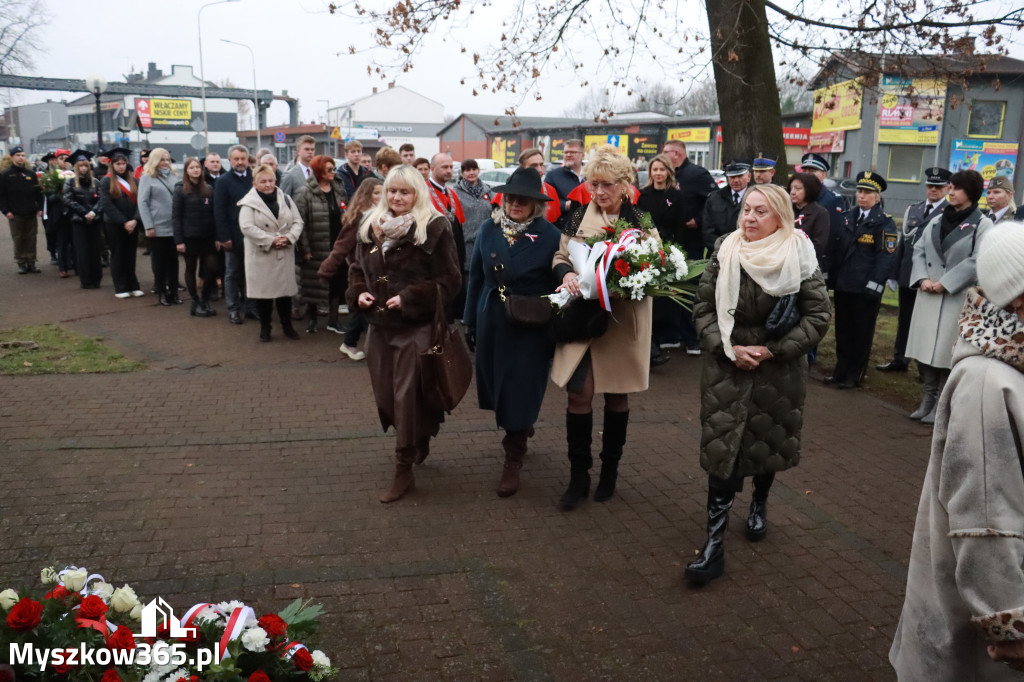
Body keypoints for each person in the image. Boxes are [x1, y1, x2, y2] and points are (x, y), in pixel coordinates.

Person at [890, 222, 1024, 680]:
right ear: (1019, 297)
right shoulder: (988, 382)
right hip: (988, 641)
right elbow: (985, 521)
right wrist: (1009, 624)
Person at [685, 183, 830, 585]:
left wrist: (771, 351)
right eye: (746, 210)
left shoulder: (799, 254)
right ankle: (714, 545)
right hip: (726, 368)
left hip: (776, 370)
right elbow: (703, 309)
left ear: (780, 217)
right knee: (723, 450)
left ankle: (759, 503)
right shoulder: (725, 250)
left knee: (766, 443)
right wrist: (727, 348)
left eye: (760, 212)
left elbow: (817, 317)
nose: (748, 218)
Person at [347, 165, 462, 503]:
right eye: (392, 191)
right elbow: (356, 270)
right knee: (387, 398)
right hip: (379, 329)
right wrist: (358, 293)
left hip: (416, 330)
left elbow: (451, 281)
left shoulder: (435, 227)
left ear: (417, 194)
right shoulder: (370, 225)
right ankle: (421, 432)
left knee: (406, 398)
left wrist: (411, 297)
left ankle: (403, 469)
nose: (397, 197)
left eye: (404, 192)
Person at [551, 145, 654, 511]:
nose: (599, 192)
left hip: (622, 320)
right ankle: (579, 474)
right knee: (578, 394)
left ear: (625, 184)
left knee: (616, 393)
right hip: (582, 318)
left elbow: (655, 262)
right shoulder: (578, 215)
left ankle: (610, 471)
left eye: (607, 185)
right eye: (594, 184)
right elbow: (561, 255)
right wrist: (565, 275)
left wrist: (627, 279)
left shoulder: (639, 217)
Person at [464, 167, 560, 497]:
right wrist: (469, 322)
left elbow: (558, 286)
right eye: (511, 197)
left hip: (531, 324)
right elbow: (475, 278)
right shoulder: (489, 230)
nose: (515, 203)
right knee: (497, 384)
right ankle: (520, 426)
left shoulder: (551, 236)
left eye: (524, 199)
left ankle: (513, 454)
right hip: (492, 317)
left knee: (522, 387)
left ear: (537, 204)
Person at [905, 169, 991, 424]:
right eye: (950, 188)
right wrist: (923, 279)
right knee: (925, 351)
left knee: (946, 353)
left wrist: (945, 283)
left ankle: (942, 404)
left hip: (956, 297)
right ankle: (927, 398)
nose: (950, 192)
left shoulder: (982, 224)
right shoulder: (937, 219)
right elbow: (919, 250)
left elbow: (978, 260)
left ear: (971, 192)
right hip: (929, 293)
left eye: (956, 188)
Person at [827, 171, 898, 389]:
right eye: (859, 191)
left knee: (861, 334)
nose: (861, 196)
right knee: (843, 331)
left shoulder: (884, 223)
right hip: (844, 285)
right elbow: (836, 249)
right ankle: (840, 371)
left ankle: (854, 376)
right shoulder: (848, 217)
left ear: (877, 197)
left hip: (865, 289)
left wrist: (875, 284)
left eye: (867, 193)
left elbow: (886, 257)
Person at [877, 167, 951, 373]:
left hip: (931, 277)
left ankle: (923, 367)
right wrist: (893, 273)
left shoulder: (950, 212)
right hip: (908, 273)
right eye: (930, 186)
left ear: (947, 188)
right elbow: (904, 244)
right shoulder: (914, 209)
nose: (933, 190)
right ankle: (900, 359)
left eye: (938, 187)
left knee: (927, 323)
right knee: (905, 320)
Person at [637, 153, 695, 359]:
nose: (658, 173)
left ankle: (661, 339)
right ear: (650, 172)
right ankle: (649, 342)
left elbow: (681, 226)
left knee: (665, 299)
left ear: (668, 172)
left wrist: (677, 253)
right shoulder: (642, 196)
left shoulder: (677, 196)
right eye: (655, 169)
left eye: (662, 169)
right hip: (648, 250)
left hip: (670, 249)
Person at [237, 164, 304, 342]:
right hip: (262, 255)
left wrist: (289, 237)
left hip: (283, 252)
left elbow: (298, 221)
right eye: (263, 181)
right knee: (264, 297)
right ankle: (265, 328)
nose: (268, 184)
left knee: (284, 295)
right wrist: (271, 240)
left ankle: (287, 327)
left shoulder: (286, 199)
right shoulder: (248, 203)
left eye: (271, 180)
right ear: (255, 183)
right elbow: (246, 227)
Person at [319, 177, 382, 359]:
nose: (380, 196)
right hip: (361, 269)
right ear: (366, 195)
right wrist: (327, 269)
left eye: (381, 193)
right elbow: (341, 246)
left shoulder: (383, 214)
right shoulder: (359, 217)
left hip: (377, 269)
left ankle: (363, 343)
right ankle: (349, 343)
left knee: (371, 306)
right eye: (376, 193)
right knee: (363, 307)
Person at [295, 155, 348, 333]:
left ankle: (334, 320)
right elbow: (300, 222)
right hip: (316, 245)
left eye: (334, 169)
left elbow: (345, 212)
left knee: (337, 282)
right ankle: (312, 320)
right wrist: (305, 249)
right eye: (329, 170)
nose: (333, 172)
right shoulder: (305, 192)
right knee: (313, 284)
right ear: (319, 171)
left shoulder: (338, 189)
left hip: (336, 245)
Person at [172, 157, 219, 317]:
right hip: (189, 237)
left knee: (211, 268)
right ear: (186, 171)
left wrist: (217, 236)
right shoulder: (180, 190)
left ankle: (205, 299)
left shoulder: (208, 189)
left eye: (197, 167)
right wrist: (179, 241)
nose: (195, 170)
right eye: (191, 168)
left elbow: (214, 215)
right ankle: (195, 301)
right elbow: (176, 217)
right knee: (190, 268)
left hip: (207, 237)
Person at [214, 144, 255, 325]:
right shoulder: (223, 181)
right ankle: (233, 309)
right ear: (230, 160)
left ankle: (251, 307)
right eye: (236, 159)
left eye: (243, 158)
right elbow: (219, 211)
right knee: (232, 273)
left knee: (251, 273)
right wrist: (224, 237)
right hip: (232, 235)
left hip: (252, 235)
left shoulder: (254, 178)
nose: (240, 162)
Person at [97, 148, 143, 299]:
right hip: (114, 224)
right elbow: (107, 204)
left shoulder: (133, 180)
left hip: (133, 223)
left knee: (130, 255)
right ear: (112, 165)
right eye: (118, 164)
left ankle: (133, 285)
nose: (121, 166)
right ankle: (120, 286)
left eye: (123, 163)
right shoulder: (106, 181)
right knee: (118, 254)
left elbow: (140, 203)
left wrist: (135, 220)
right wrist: (124, 221)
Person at [138, 148, 181, 306]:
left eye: (168, 159)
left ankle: (174, 293)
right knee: (160, 262)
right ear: (155, 161)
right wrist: (148, 225)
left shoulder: (175, 177)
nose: (165, 163)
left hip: (174, 226)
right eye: (162, 159)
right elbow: (142, 202)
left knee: (174, 261)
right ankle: (162, 292)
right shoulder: (147, 178)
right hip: (157, 226)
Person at [427, 152, 468, 317]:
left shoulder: (452, 193)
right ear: (432, 168)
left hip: (454, 251)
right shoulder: (423, 192)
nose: (449, 171)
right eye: (444, 167)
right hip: (434, 253)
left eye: (451, 167)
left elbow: (459, 226)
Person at [662, 139, 718, 257]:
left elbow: (716, 200)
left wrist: (698, 220)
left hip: (691, 239)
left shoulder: (697, 174)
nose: (662, 156)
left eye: (665, 152)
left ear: (676, 154)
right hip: (669, 235)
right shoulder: (667, 174)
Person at [800, 152, 846, 276]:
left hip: (818, 262)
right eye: (805, 170)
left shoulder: (831, 200)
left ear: (823, 175)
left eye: (812, 171)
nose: (807, 174)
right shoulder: (796, 197)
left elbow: (833, 235)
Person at [63, 150, 103, 289]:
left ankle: (96, 278)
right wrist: (84, 212)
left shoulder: (96, 183)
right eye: (80, 166)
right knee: (82, 251)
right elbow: (68, 200)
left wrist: (93, 212)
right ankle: (86, 280)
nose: (84, 168)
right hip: (78, 221)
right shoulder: (70, 182)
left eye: (86, 166)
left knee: (95, 250)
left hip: (95, 220)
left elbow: (102, 199)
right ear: (76, 168)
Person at [0, 146, 44, 274]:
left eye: (23, 155)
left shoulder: (31, 174)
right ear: (12, 157)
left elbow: (38, 193)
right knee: (19, 238)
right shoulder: (5, 174)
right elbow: (1, 195)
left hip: (30, 212)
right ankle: (21, 262)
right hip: (15, 213)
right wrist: (6, 211)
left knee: (31, 237)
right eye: (18, 155)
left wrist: (40, 208)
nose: (21, 157)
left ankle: (31, 262)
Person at [491, 148, 561, 226]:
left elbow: (556, 223)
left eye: (541, 165)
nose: (540, 170)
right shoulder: (507, 192)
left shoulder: (551, 190)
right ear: (522, 167)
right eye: (534, 166)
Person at [702, 160, 751, 253]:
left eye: (740, 176)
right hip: (717, 253)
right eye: (732, 177)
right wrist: (722, 248)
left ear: (748, 177)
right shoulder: (714, 198)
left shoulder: (756, 198)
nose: (736, 180)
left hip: (746, 253)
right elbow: (707, 230)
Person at [787, 172, 831, 273]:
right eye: (791, 188)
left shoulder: (820, 213)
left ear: (809, 190)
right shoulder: (787, 210)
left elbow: (818, 246)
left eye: (798, 188)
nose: (792, 192)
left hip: (806, 268)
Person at [453, 158, 491, 263]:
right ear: (462, 173)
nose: (471, 172)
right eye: (467, 170)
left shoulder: (488, 191)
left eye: (474, 169)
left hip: (486, 244)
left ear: (478, 171)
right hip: (466, 245)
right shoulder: (455, 193)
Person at [546, 138, 585, 223]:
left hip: (589, 227)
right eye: (566, 152)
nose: (568, 155)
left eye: (573, 152)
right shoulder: (553, 176)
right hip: (563, 226)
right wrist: (566, 205)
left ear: (582, 155)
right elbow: (546, 202)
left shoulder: (591, 175)